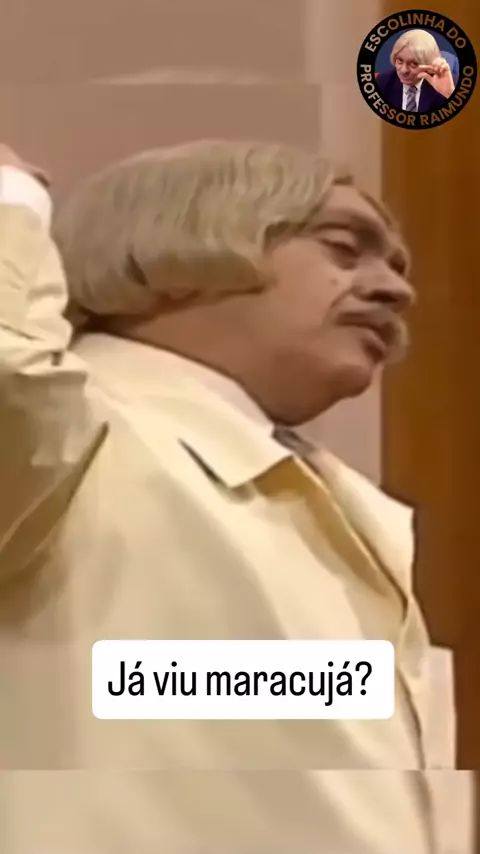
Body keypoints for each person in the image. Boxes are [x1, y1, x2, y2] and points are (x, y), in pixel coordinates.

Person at [0, 140, 435, 853]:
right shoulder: (67, 439)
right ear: (175, 242)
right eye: (343, 247)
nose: (396, 290)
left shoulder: (342, 509)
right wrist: (9, 208)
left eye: (395, 265)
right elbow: (11, 379)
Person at [376, 29, 456, 112]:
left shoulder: (446, 84)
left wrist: (449, 94)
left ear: (428, 64)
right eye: (400, 61)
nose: (404, 70)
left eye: (413, 64)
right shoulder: (384, 81)